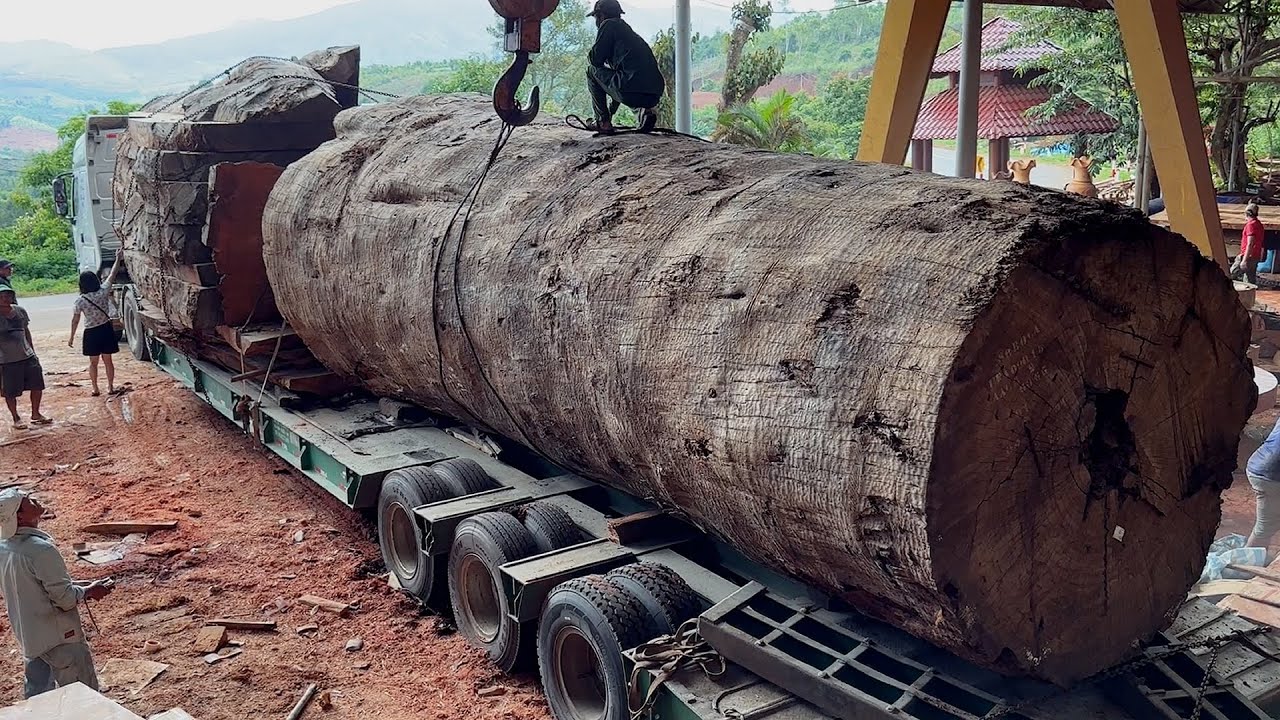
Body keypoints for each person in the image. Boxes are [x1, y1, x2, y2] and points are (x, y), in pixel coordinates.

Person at [0, 489, 112, 697]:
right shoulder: (41, 550)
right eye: (29, 501)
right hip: (60, 639)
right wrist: (89, 591)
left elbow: (31, 586)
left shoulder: (4, 547)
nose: (36, 500)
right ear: (20, 516)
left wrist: (78, 584)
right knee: (83, 698)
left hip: (30, 637)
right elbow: (65, 599)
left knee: (40, 698)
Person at [584, 0, 664, 135]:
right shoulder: (628, 33)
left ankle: (602, 122)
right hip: (653, 95)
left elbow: (595, 60)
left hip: (630, 88)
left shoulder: (608, 25)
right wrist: (610, 113)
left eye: (596, 17)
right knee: (626, 83)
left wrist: (605, 118)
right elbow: (617, 82)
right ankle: (644, 111)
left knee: (591, 71)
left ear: (601, 16)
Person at [68, 254, 123, 396]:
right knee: (108, 361)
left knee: (93, 363)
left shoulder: (80, 301)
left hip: (91, 333)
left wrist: (72, 337)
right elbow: (112, 273)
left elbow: (75, 320)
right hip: (105, 329)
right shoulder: (103, 291)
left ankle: (95, 388)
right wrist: (118, 258)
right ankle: (110, 387)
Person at [0, 286, 49, 429]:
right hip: (6, 360)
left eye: (7, 295)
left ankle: (36, 413)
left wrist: (33, 351)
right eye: (1, 296)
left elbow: (26, 331)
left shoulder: (19, 311)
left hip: (27, 356)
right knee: (10, 391)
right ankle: (16, 418)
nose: (5, 299)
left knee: (37, 385)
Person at [1247, 418, 1280, 556]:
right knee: (1264, 529)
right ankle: (1246, 567)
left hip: (1260, 466)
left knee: (1267, 525)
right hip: (1269, 477)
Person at [1231, 203, 1266, 285]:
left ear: (1247, 213)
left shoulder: (1251, 225)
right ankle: (1249, 296)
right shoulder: (1259, 224)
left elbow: (1250, 243)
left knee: (1229, 275)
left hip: (1248, 256)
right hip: (1255, 256)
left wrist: (1244, 260)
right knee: (1250, 281)